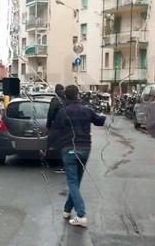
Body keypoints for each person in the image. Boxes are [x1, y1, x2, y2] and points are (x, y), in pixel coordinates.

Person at [47, 85, 106, 227]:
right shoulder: (86, 110)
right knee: (76, 182)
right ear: (78, 95)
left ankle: (81, 215)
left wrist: (47, 146)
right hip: (85, 149)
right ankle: (67, 210)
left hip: (69, 150)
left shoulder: (63, 112)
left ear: (65, 96)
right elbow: (99, 121)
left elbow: (54, 132)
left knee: (72, 182)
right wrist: (103, 116)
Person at [46, 84, 65, 174]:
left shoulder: (55, 99)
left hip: (59, 125)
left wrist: (48, 125)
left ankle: (62, 166)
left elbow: (51, 113)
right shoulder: (67, 98)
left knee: (60, 146)